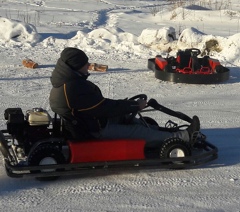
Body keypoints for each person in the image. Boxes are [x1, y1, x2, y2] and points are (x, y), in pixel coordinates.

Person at [49, 47, 200, 145]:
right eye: (85, 64)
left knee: (135, 122)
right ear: (75, 66)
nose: (88, 66)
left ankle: (168, 134)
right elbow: (103, 108)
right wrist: (134, 105)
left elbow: (97, 105)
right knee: (138, 132)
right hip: (93, 131)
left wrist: (127, 106)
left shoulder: (67, 82)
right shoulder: (72, 88)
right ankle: (184, 138)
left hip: (91, 121)